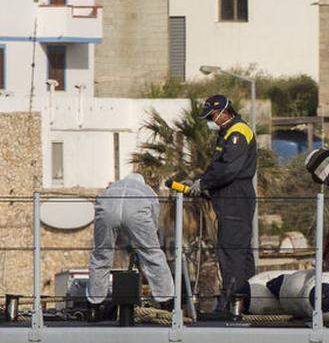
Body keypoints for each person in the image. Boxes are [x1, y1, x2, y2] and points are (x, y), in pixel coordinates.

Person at [177, 95, 257, 314]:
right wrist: (201, 184)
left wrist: (204, 183)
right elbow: (219, 167)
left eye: (212, 116)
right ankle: (246, 303)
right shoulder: (228, 132)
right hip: (229, 197)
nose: (211, 121)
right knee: (240, 251)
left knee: (231, 250)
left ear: (224, 111)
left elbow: (229, 169)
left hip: (236, 197)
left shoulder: (238, 132)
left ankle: (232, 305)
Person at [87, 174, 175, 311]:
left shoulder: (111, 188)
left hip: (107, 207)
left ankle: (94, 304)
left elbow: (100, 209)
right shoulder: (147, 190)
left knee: (101, 255)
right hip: (137, 210)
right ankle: (166, 301)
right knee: (152, 254)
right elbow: (154, 220)